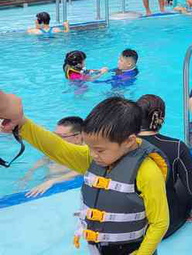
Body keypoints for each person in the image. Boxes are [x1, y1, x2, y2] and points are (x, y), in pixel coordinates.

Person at [2, 95, 169, 254]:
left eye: (99, 150)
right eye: (89, 147)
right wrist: (22, 124)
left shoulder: (147, 172)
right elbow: (58, 148)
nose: (93, 155)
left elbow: (160, 223)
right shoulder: (94, 158)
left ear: (129, 141)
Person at [137, 94, 192, 238]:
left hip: (128, 229)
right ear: (161, 118)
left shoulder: (120, 145)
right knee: (188, 179)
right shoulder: (176, 147)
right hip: (163, 226)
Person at [20, 116, 83, 198]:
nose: (55, 139)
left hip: (61, 184)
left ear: (77, 138)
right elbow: (45, 158)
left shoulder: (88, 151)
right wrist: (29, 173)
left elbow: (84, 169)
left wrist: (51, 181)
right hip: (48, 180)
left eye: (62, 136)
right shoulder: (58, 144)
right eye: (55, 134)